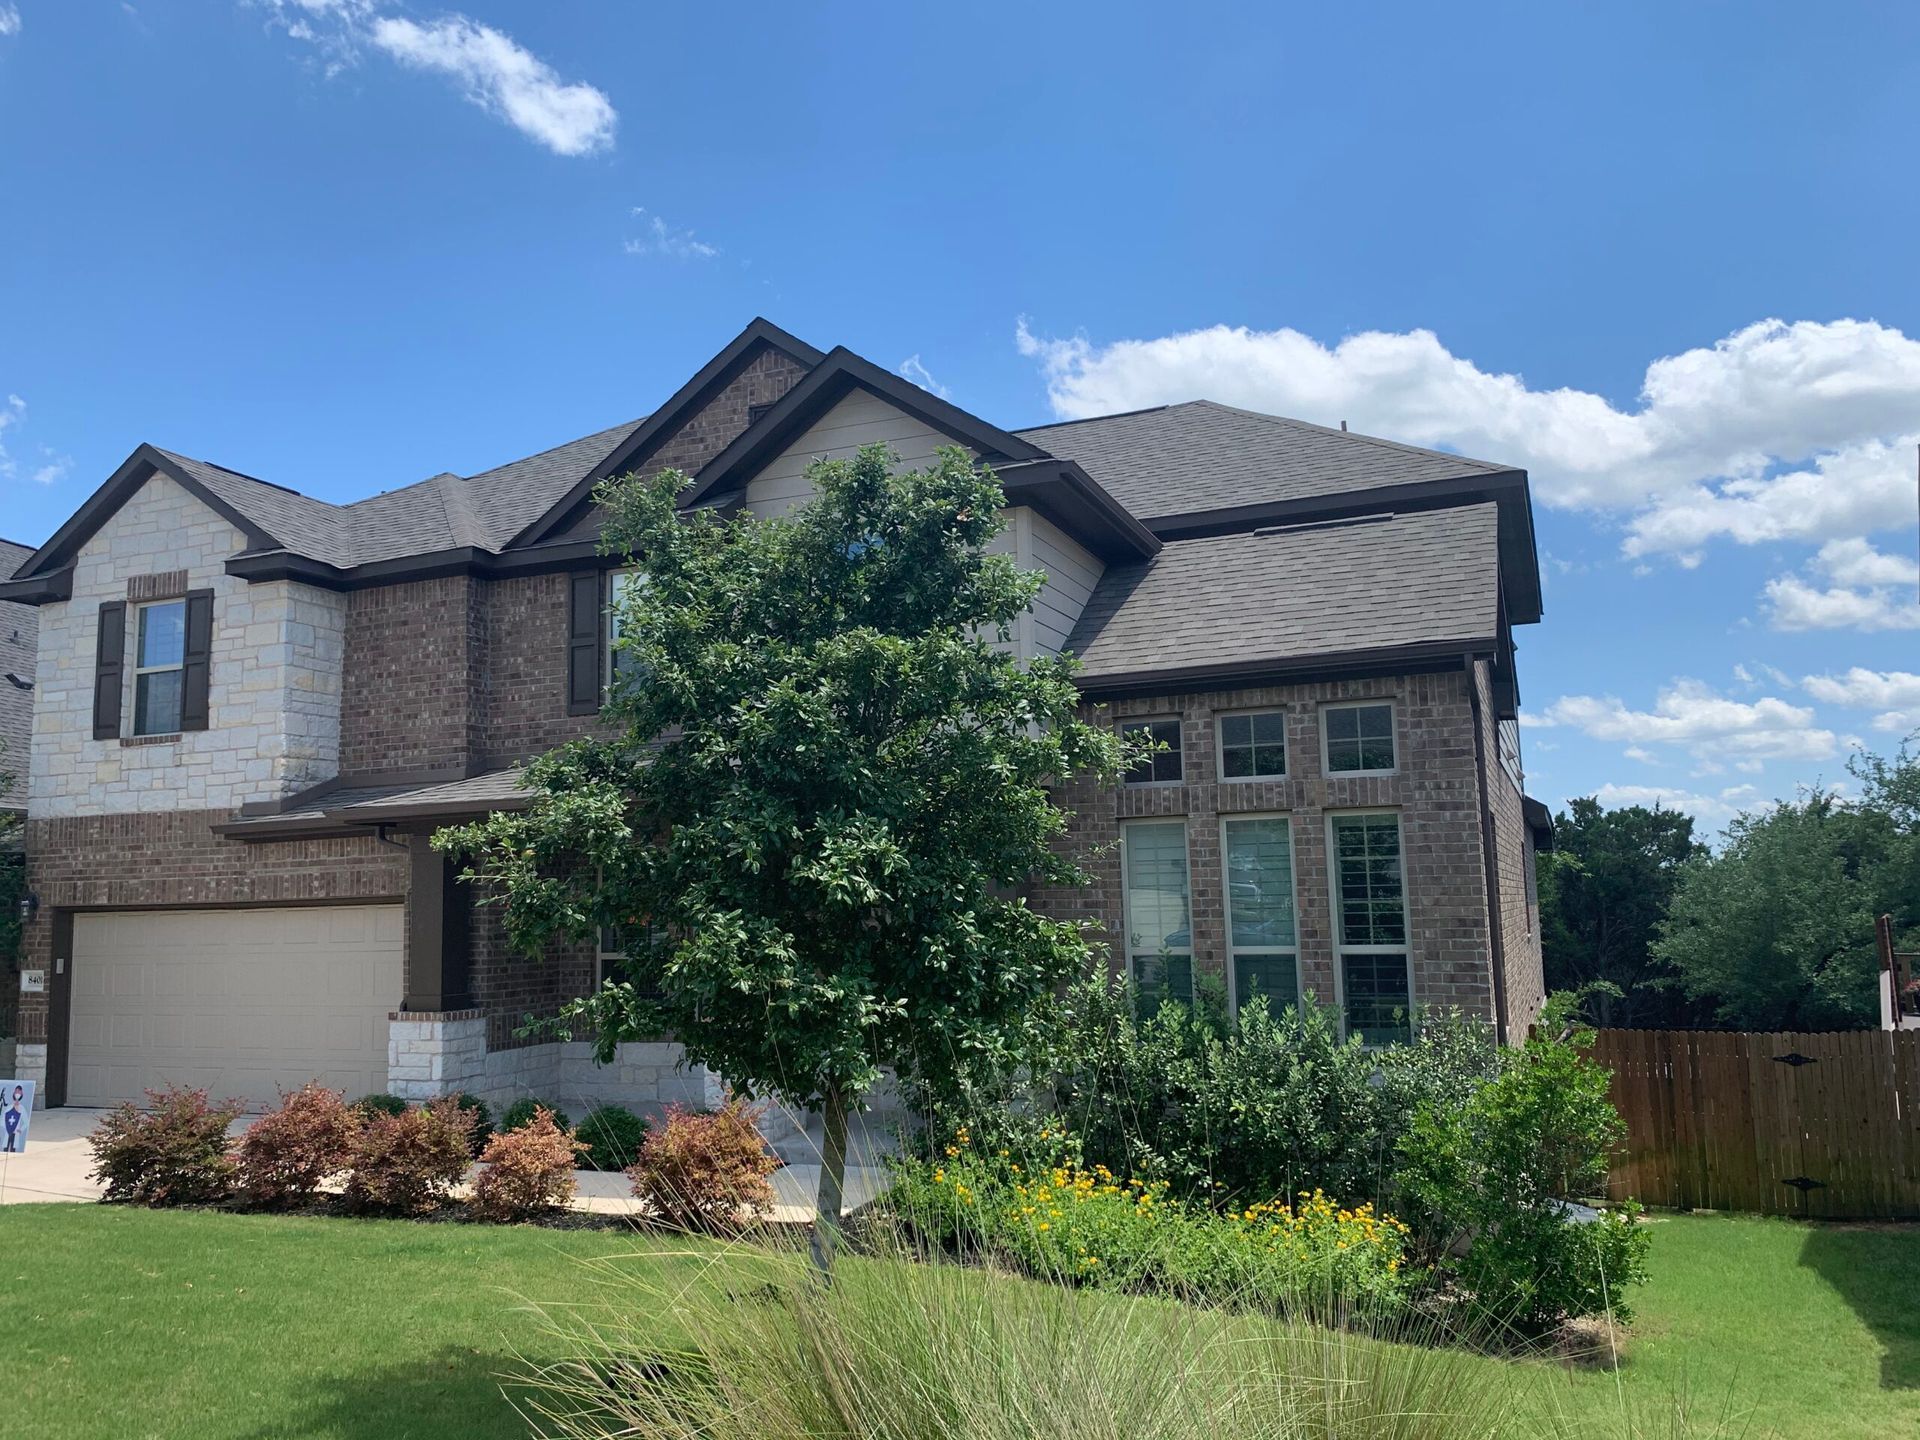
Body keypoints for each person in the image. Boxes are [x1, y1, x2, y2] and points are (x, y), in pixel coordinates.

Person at [3, 1084, 23, 1153]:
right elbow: (4, 1117)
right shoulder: (9, 1107)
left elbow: (26, 1121)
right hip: (8, 1130)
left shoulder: (22, 1108)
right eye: (16, 1091)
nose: (17, 1093)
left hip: (16, 1131)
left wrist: (21, 1129)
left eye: (19, 1092)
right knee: (5, 1147)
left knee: (13, 1148)